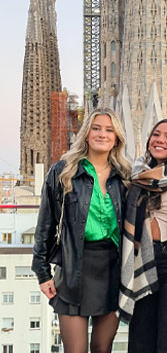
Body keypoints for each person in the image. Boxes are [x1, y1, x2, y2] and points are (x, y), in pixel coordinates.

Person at [32, 108, 130, 353]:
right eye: (96, 128)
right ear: (86, 133)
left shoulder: (125, 176)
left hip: (112, 271)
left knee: (102, 347)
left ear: (117, 137)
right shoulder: (63, 171)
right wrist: (42, 273)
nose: (102, 134)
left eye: (109, 130)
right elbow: (45, 224)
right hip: (73, 268)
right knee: (75, 350)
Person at [119, 119, 167, 353]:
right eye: (156, 134)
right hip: (142, 261)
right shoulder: (134, 179)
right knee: (142, 333)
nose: (160, 139)